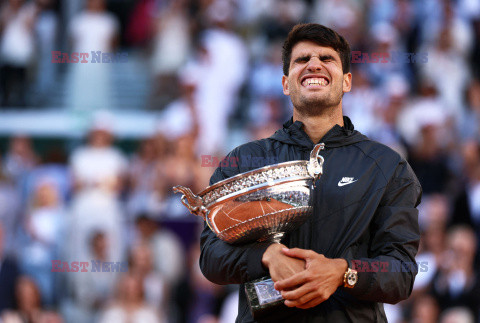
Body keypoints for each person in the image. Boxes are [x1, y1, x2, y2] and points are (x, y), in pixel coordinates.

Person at [199, 23, 422, 322]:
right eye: (302, 60)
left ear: (346, 81)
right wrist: (265, 256)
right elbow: (211, 256)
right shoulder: (245, 159)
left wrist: (344, 272)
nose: (314, 64)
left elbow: (401, 271)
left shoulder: (386, 165)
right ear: (285, 83)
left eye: (327, 58)